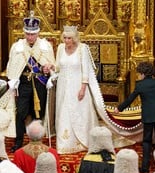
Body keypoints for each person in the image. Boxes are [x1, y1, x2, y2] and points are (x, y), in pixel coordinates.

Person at [6, 11, 56, 152]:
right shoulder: (17, 47)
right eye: (27, 34)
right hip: (23, 83)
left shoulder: (46, 46)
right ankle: (18, 141)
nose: (30, 37)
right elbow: (12, 66)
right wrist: (13, 82)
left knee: (37, 113)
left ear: (38, 33)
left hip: (40, 82)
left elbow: (53, 65)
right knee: (20, 113)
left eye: (33, 34)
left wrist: (49, 69)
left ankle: (37, 140)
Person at [114, 61, 155, 173]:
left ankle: (145, 168)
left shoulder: (140, 85)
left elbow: (130, 99)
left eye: (139, 73)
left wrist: (119, 108)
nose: (138, 75)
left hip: (148, 117)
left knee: (147, 141)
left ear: (143, 74)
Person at [50, 25, 99, 154]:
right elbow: (58, 67)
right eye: (65, 38)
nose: (66, 41)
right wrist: (51, 67)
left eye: (69, 38)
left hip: (78, 86)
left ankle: (82, 140)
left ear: (75, 38)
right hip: (63, 86)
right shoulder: (60, 48)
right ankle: (65, 143)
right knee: (64, 111)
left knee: (79, 111)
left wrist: (83, 87)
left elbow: (86, 70)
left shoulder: (82, 49)